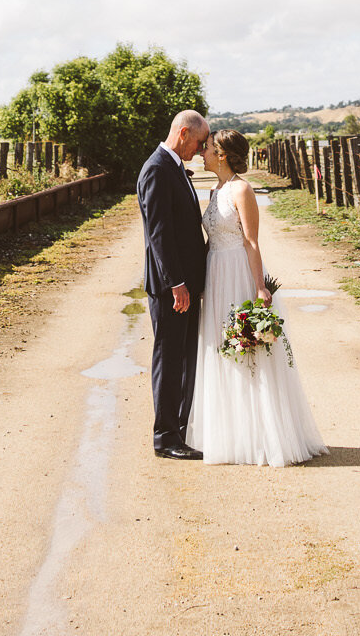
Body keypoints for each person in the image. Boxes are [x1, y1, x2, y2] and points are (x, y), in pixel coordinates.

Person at [187, 129, 327, 466]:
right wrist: (201, 278)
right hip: (216, 272)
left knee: (248, 350)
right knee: (223, 350)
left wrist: (260, 288)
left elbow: (251, 241)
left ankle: (263, 434)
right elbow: (212, 239)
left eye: (207, 148)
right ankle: (233, 433)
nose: (201, 153)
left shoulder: (242, 189)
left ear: (222, 154)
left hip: (237, 272)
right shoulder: (215, 189)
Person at [137, 109, 210, 459]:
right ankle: (165, 438)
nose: (201, 149)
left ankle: (179, 430)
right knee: (169, 360)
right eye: (199, 142)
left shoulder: (174, 166)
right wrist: (177, 283)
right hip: (171, 289)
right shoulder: (156, 169)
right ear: (183, 134)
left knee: (183, 359)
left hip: (184, 285)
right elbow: (159, 234)